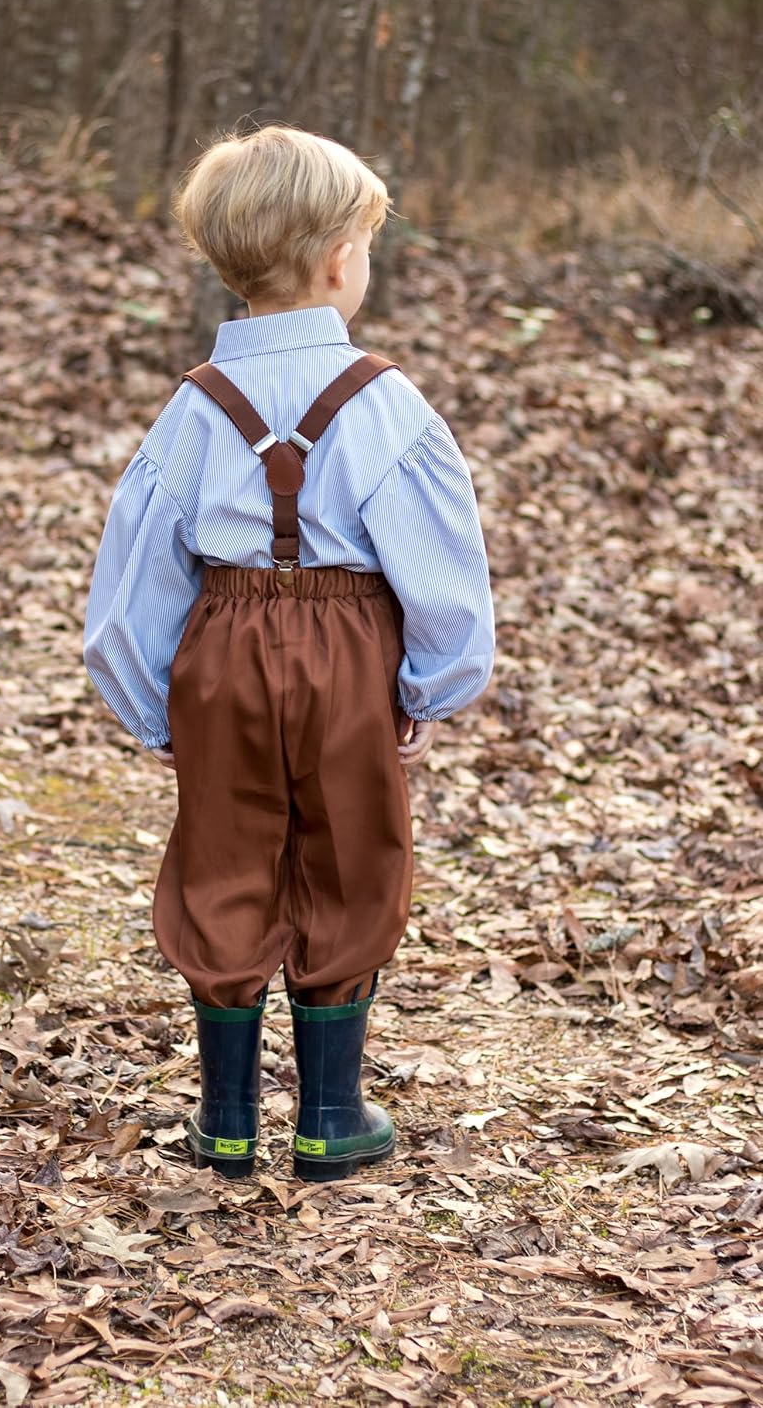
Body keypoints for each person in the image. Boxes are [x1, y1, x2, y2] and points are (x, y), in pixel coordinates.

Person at [83, 126, 494, 1182]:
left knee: (223, 852)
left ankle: (224, 1118)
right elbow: (440, 567)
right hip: (347, 647)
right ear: (336, 260)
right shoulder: (388, 405)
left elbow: (135, 577)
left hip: (219, 648)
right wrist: (428, 685)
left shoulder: (189, 409)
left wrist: (156, 708)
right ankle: (328, 1113)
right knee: (350, 855)